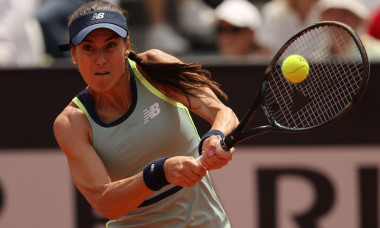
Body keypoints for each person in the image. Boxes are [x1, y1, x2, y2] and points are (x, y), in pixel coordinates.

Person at [53, 0, 239, 227]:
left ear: (126, 46)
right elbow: (104, 203)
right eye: (88, 48)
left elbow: (222, 111)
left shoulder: (154, 67)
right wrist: (158, 172)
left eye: (110, 45)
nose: (100, 60)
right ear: (73, 54)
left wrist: (216, 136)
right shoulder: (71, 123)